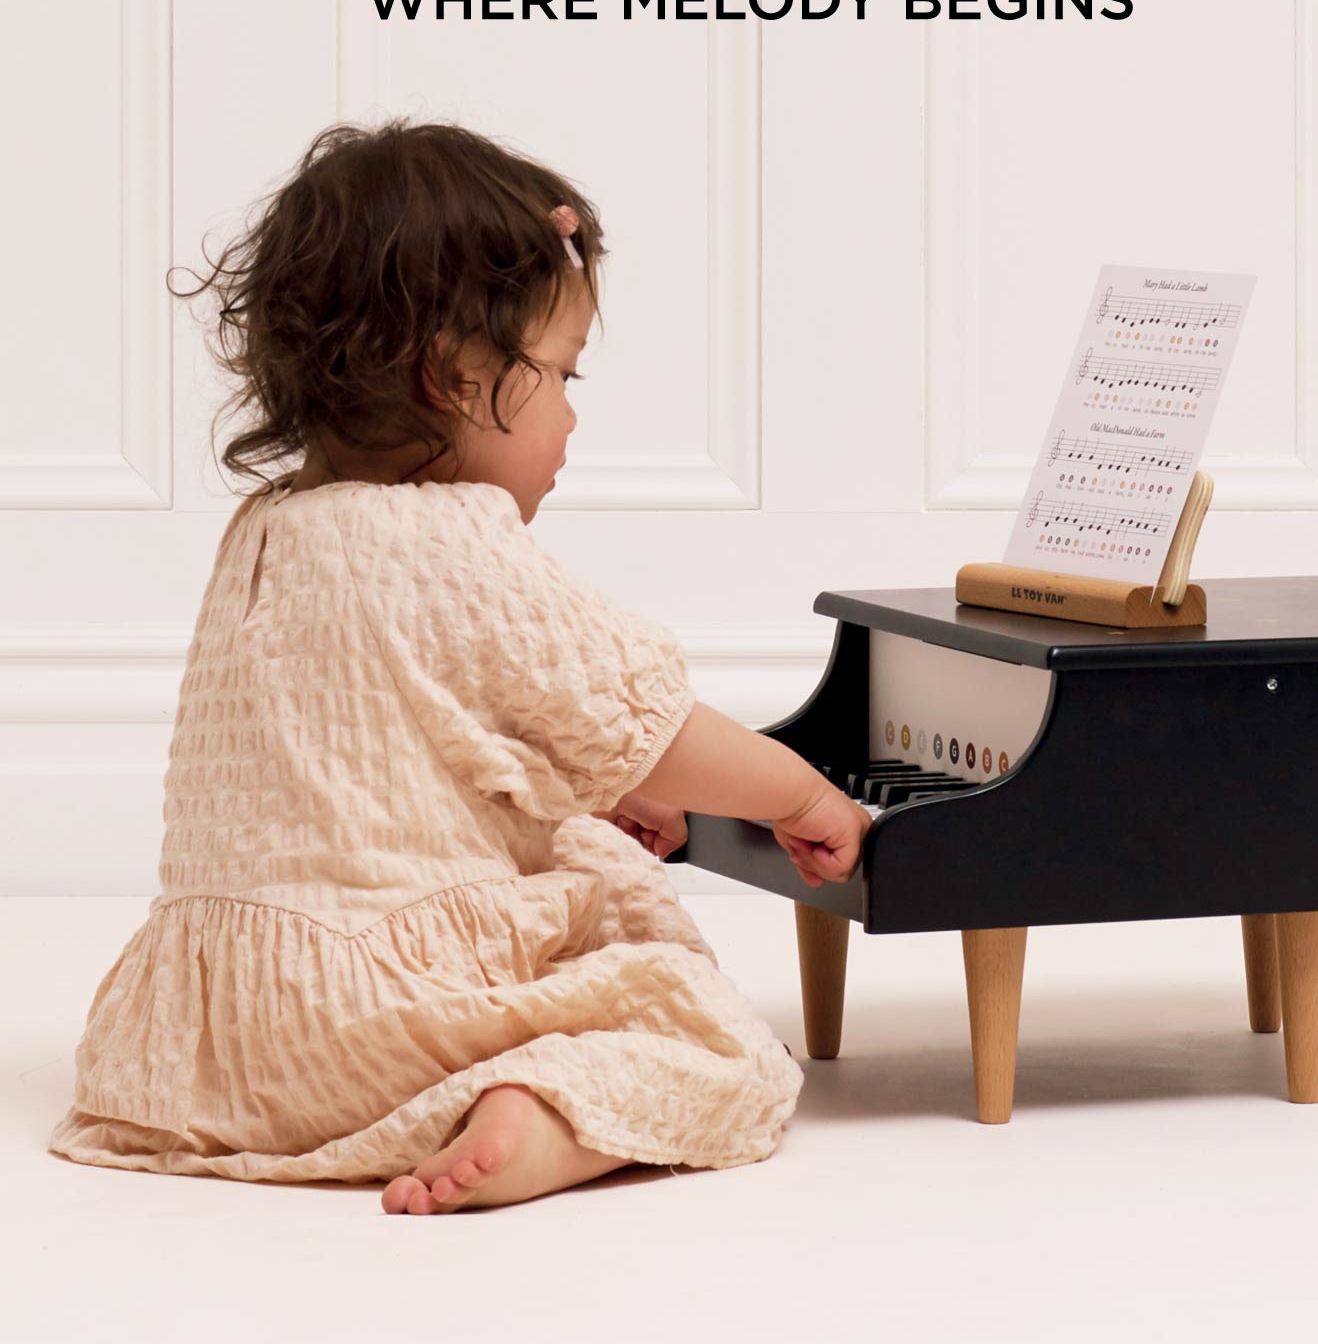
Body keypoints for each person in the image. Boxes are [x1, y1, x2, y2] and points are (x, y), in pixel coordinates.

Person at [47, 119, 871, 1214]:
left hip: (220, 1046)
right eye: (565, 376)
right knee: (710, 1038)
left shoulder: (268, 527)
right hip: (393, 1009)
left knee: (582, 845)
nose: (574, 415)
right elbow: (655, 723)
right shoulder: (455, 542)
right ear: (452, 376)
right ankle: (543, 1116)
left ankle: (448, 1107)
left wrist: (609, 787)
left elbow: (409, 730)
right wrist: (800, 793)